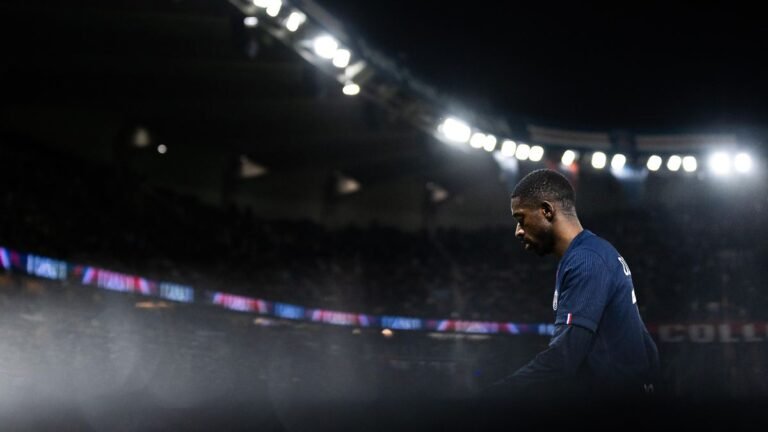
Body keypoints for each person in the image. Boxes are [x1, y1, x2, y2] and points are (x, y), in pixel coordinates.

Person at [482, 168, 659, 404]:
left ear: (546, 211)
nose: (518, 231)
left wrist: (494, 395)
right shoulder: (594, 252)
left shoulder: (586, 261)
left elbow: (563, 359)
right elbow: (647, 346)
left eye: (520, 219)